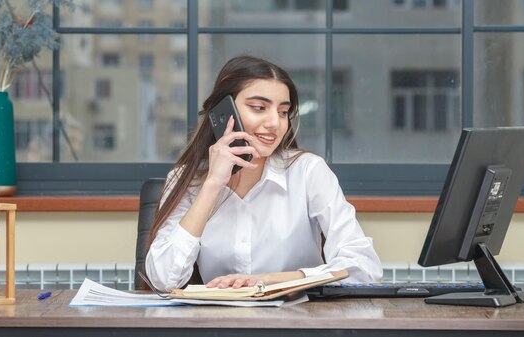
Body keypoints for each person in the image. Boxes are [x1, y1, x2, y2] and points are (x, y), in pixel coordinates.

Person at [146, 55, 382, 292]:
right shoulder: (185, 180)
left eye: (283, 112)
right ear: (222, 112)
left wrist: (269, 280)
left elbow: (363, 267)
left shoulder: (308, 171)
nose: (275, 123)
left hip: (299, 320)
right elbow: (164, 281)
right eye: (259, 108)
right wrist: (212, 185)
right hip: (219, 322)